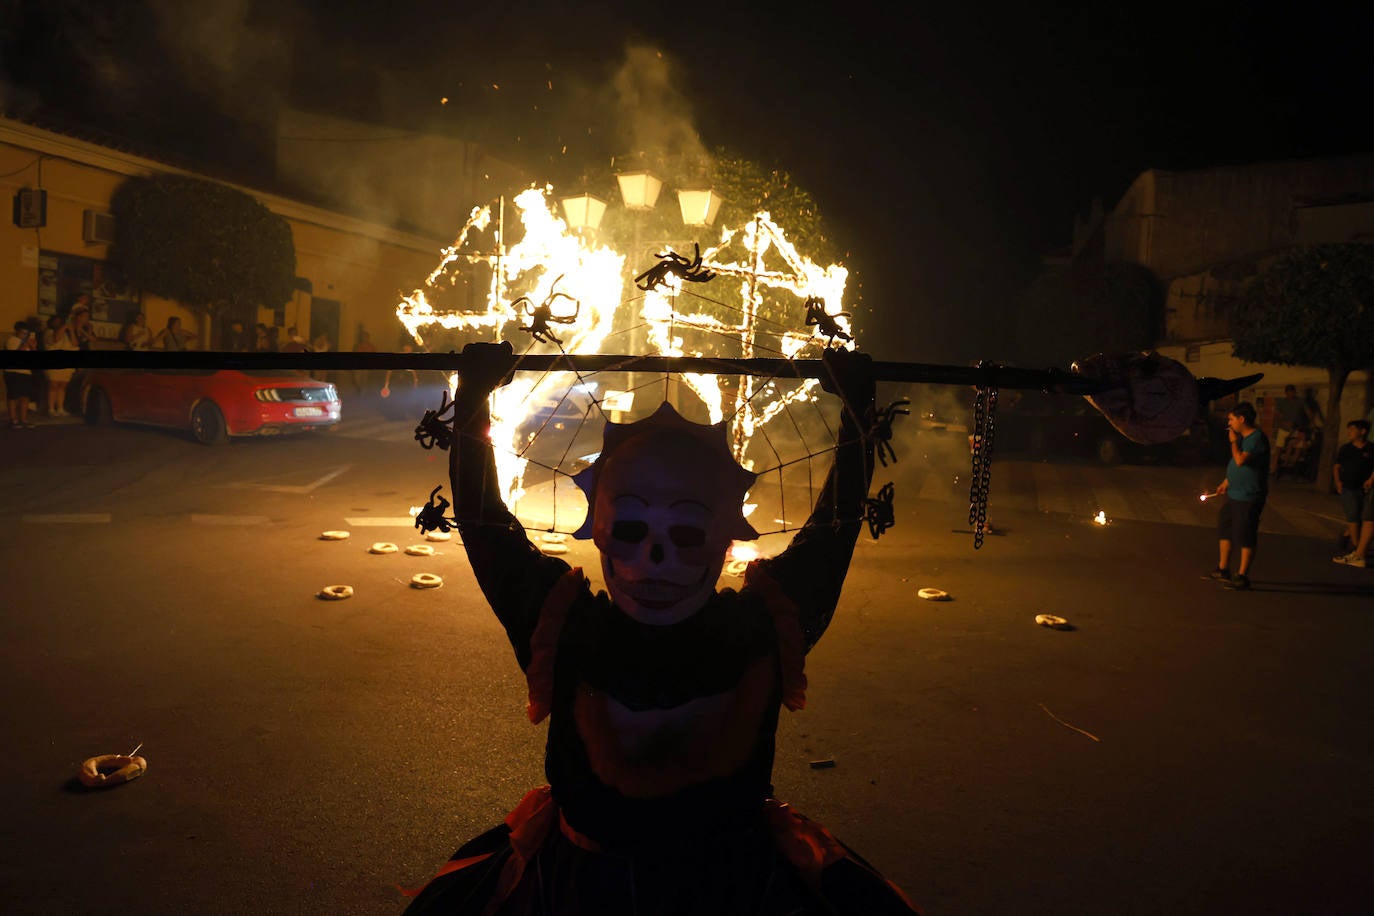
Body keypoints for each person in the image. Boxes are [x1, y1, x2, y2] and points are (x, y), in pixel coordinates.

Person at [402, 342, 918, 914]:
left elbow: (832, 531)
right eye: (629, 528)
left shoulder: (746, 628)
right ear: (597, 528)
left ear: (725, 541)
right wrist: (856, 408)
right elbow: (486, 527)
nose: (652, 560)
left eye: (687, 534)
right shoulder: (579, 626)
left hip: (722, 887)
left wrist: (475, 395)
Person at [1207, 401, 1270, 590]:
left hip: (1248, 495)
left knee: (1245, 533)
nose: (1229, 423)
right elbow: (1235, 464)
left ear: (1242, 419)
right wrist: (1226, 482)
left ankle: (1242, 575)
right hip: (1234, 492)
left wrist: (1233, 442)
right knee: (1225, 528)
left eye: (1231, 419)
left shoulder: (1256, 438)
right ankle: (1223, 568)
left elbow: (1241, 460)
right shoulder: (1243, 437)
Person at [1332, 419, 1374, 565]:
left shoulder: (1371, 449)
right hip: (1348, 488)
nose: (1349, 432)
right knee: (1353, 516)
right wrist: (1338, 482)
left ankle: (1347, 537)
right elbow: (1336, 466)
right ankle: (1357, 548)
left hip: (1365, 489)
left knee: (1364, 518)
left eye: (1352, 429)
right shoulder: (1346, 449)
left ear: (1362, 431)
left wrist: (1371, 479)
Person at [42, 313, 78, 417]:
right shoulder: (49, 332)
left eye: (60, 321)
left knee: (62, 386)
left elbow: (75, 344)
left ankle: (60, 408)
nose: (58, 323)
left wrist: (71, 330)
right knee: (53, 385)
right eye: (56, 321)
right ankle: (51, 409)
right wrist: (64, 327)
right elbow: (56, 339)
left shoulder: (66, 333)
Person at [5, 319, 37, 429]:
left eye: (26, 333)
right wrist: (26, 343)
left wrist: (33, 347)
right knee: (13, 396)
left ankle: (23, 419)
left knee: (25, 396)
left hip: (25, 372)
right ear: (17, 331)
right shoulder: (12, 340)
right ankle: (13, 420)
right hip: (13, 372)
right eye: (23, 333)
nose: (25, 335)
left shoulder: (26, 342)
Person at [1273, 384, 1309, 455]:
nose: (1290, 394)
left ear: (1294, 392)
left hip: (1296, 428)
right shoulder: (1282, 402)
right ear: (1286, 393)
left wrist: (1306, 425)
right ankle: (1277, 464)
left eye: (1292, 392)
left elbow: (1308, 413)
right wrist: (1282, 423)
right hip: (1284, 428)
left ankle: (1291, 462)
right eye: (1288, 392)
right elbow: (1277, 415)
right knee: (1278, 447)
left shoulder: (1300, 401)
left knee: (1297, 447)